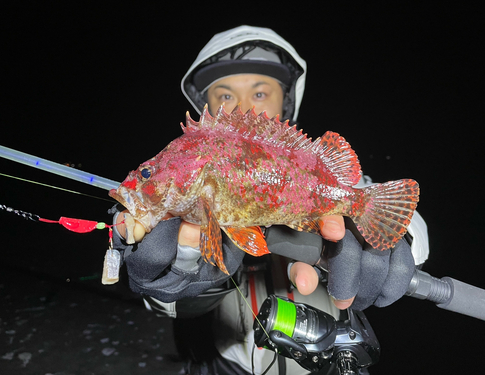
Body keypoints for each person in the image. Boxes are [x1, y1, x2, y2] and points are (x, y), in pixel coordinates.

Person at [110, 25, 429, 374]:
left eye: (260, 93)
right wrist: (172, 275)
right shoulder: (191, 172)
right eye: (226, 95)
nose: (244, 105)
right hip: (220, 363)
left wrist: (401, 241)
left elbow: (405, 220)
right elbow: (161, 304)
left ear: (286, 100)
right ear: (207, 106)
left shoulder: (314, 169)